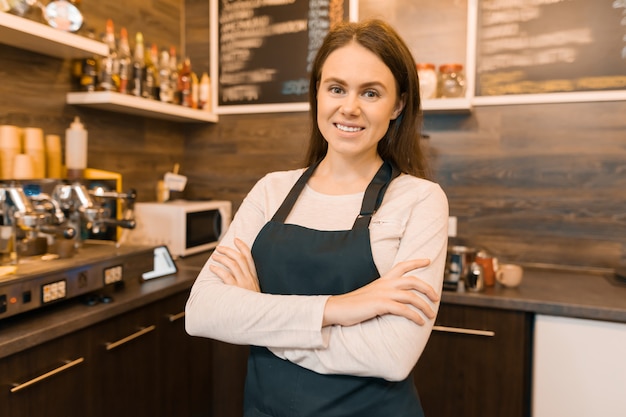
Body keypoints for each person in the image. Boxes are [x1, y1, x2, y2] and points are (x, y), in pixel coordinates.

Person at [185, 18, 449, 417]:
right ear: (318, 94)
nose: (350, 107)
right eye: (337, 88)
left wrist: (257, 310)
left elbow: (391, 355)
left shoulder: (419, 200)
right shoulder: (271, 191)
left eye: (371, 93)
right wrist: (338, 309)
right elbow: (203, 312)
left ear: (398, 105)